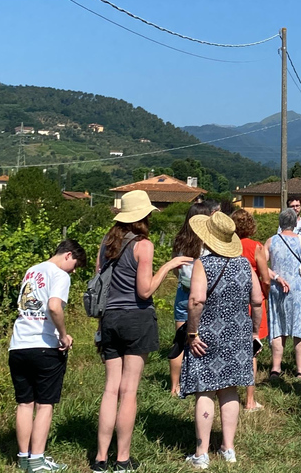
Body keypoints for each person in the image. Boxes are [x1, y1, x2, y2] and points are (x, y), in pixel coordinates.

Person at [92, 190, 192, 472]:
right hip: (136, 319)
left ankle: (100, 458)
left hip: (108, 318)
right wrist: (168, 266)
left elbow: (101, 280)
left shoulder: (106, 242)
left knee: (111, 389)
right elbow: (145, 290)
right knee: (129, 390)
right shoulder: (143, 245)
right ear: (143, 217)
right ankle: (122, 458)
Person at [181, 211, 263, 468]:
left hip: (206, 335)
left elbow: (196, 301)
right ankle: (229, 448)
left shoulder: (202, 265)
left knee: (205, 389)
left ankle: (201, 453)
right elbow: (258, 300)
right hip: (238, 334)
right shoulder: (244, 265)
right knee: (230, 390)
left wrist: (192, 333)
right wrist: (254, 332)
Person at [8, 240, 87, 473]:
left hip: (18, 344)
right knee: (44, 405)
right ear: (68, 255)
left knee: (24, 402)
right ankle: (37, 459)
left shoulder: (32, 270)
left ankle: (23, 457)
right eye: (75, 265)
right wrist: (63, 335)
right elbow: (54, 307)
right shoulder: (60, 275)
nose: (73, 270)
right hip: (44, 346)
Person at [170, 200, 219, 396]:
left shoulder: (179, 239)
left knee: (180, 340)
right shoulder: (208, 241)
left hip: (183, 291)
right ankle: (203, 381)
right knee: (203, 339)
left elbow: (175, 267)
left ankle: (175, 386)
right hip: (203, 294)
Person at [231, 209, 270, 411]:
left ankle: (229, 395)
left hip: (232, 301)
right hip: (253, 301)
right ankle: (249, 400)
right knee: (251, 351)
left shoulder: (228, 246)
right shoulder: (256, 247)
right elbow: (265, 277)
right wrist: (266, 294)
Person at [265, 208, 301, 378]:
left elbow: (262, 267)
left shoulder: (271, 241)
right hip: (298, 289)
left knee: (278, 326)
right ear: (295, 224)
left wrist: (276, 277)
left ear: (280, 223)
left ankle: (275, 368)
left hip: (277, 288)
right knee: (299, 328)